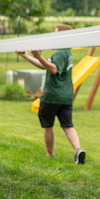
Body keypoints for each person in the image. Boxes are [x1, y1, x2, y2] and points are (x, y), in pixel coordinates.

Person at [15, 24, 85, 164]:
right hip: (65, 96)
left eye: (55, 33)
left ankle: (50, 154)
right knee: (67, 125)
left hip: (52, 95)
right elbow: (46, 66)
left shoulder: (60, 52)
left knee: (47, 126)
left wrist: (39, 56)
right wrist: (27, 57)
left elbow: (53, 69)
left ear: (61, 36)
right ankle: (78, 150)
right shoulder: (67, 51)